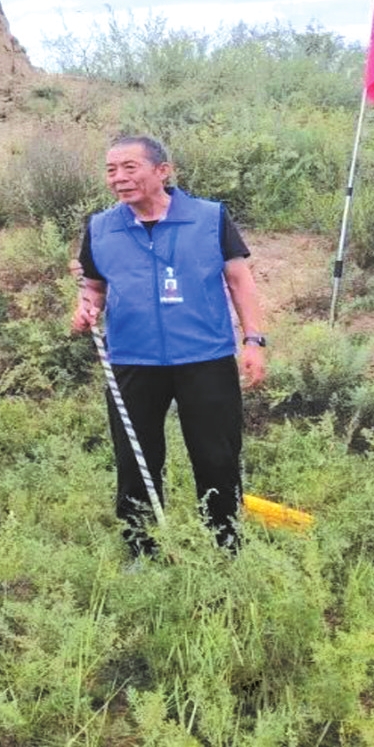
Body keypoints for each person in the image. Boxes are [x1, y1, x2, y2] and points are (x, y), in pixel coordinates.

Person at [70, 135, 267, 557]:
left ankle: (225, 547)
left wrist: (253, 340)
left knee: (216, 457)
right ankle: (142, 550)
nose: (118, 178)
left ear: (163, 171)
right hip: (132, 359)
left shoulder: (209, 217)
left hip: (205, 357)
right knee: (135, 460)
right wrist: (86, 309)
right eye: (111, 170)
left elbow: (239, 281)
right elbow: (93, 287)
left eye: (130, 167)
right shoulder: (100, 227)